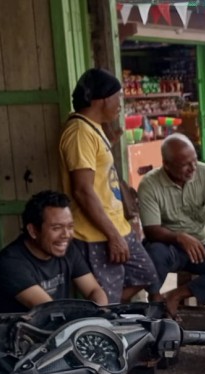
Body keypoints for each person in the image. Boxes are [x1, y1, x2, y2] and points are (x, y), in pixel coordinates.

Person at [0, 190, 148, 374]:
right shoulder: (11, 264)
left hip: (50, 335)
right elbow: (51, 311)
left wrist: (102, 316)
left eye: (70, 227)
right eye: (56, 228)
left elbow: (94, 290)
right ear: (33, 230)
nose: (66, 235)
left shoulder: (67, 250)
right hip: (15, 348)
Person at [59, 68, 159, 304]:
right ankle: (103, 316)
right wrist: (112, 235)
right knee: (106, 296)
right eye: (118, 98)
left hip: (116, 226)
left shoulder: (93, 128)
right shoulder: (80, 132)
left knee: (146, 274)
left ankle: (107, 313)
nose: (120, 105)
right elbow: (83, 190)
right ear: (102, 99)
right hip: (96, 234)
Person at [138, 133, 205, 320]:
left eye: (194, 160)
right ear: (166, 164)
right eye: (185, 164)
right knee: (154, 254)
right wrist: (179, 237)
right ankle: (155, 300)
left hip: (203, 244)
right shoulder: (149, 184)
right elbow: (151, 230)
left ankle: (175, 296)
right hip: (168, 246)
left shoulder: (204, 172)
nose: (193, 168)